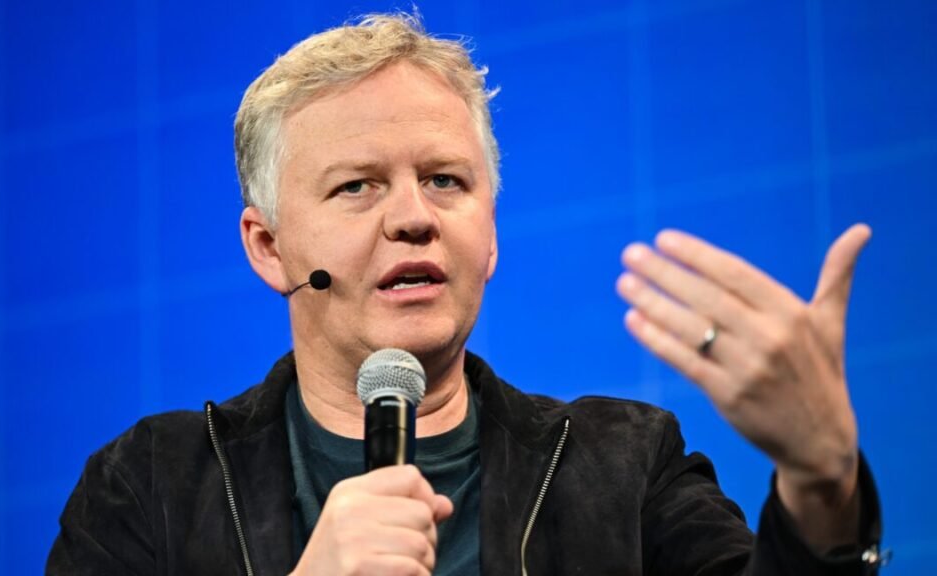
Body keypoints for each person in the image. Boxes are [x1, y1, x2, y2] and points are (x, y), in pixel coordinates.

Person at [47, 13, 884, 576]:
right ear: (269, 247)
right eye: (358, 187)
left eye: (445, 180)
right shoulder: (148, 487)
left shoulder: (625, 466)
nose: (414, 217)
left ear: (489, 233)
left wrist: (820, 483)